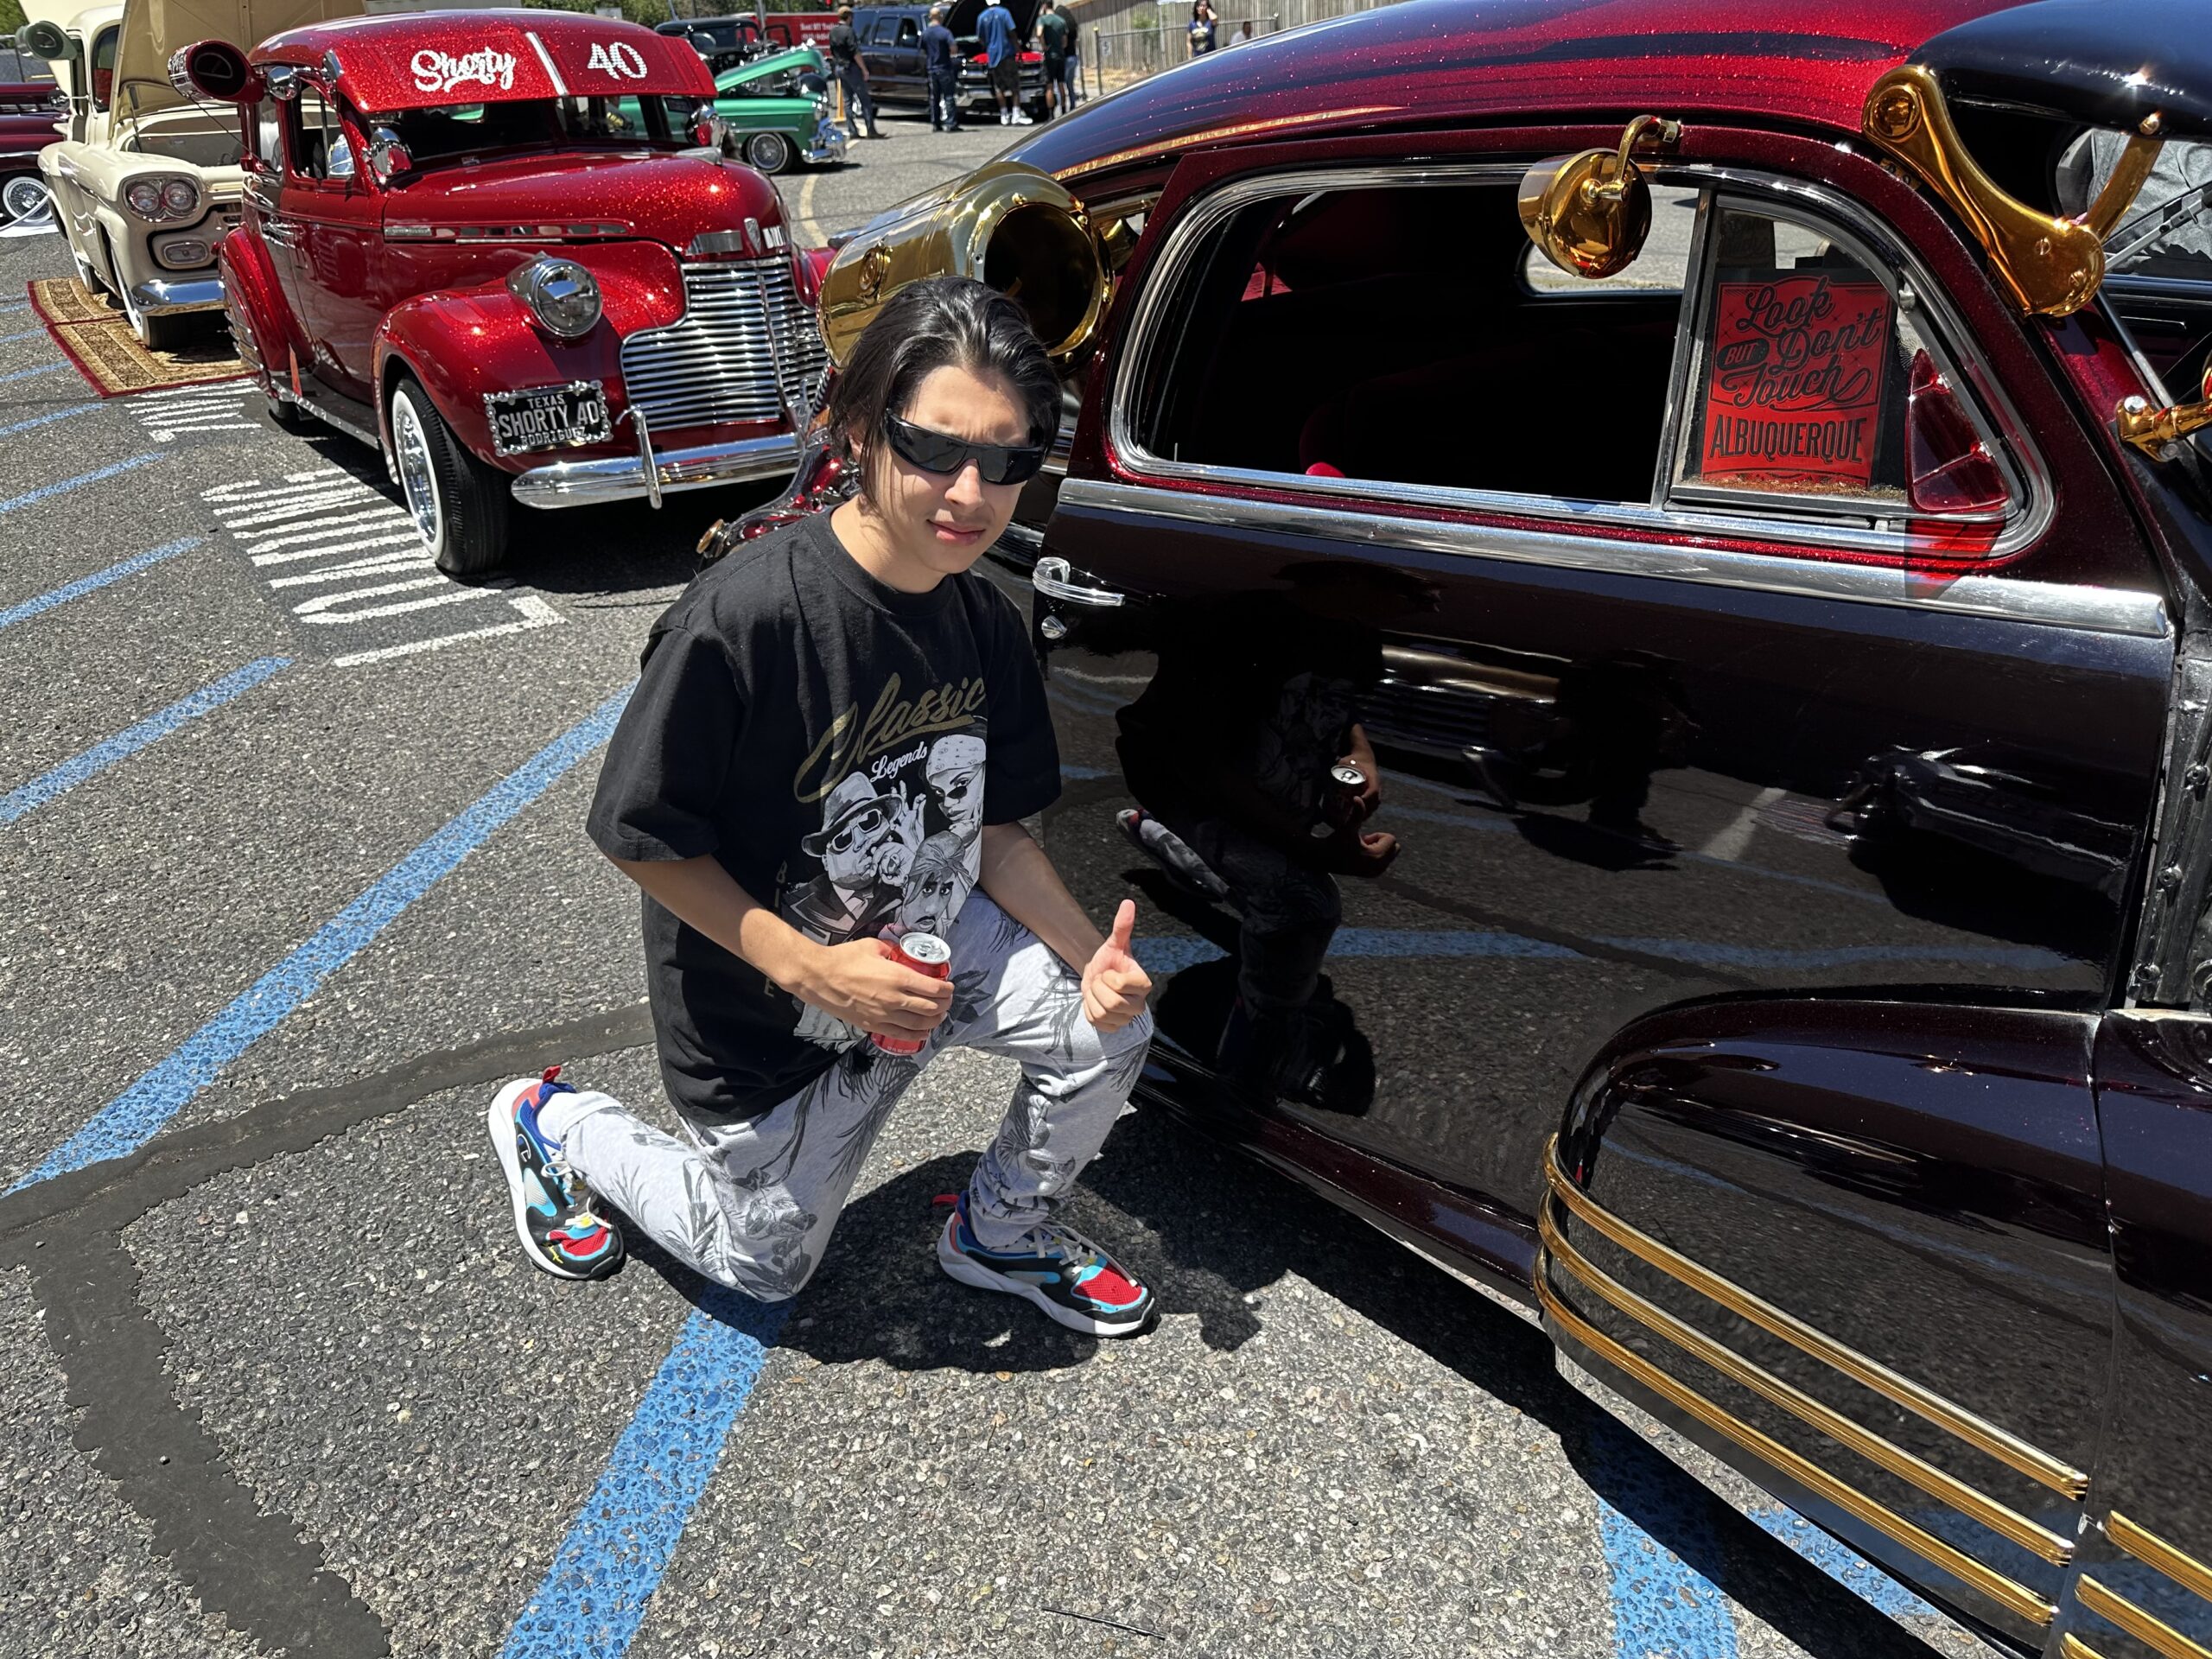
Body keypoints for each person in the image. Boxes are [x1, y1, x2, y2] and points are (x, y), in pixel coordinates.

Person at [486, 276, 1159, 1338]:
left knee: (1110, 1033)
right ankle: (555, 1121)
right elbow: (642, 836)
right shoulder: (746, 618)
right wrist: (813, 969)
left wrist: (1092, 963)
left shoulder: (985, 618)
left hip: (928, 954)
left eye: (1007, 460)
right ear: (857, 427)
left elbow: (993, 832)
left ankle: (1001, 1232)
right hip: (774, 1012)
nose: (971, 492)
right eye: (933, 447)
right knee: (763, 1270)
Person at [826, 4, 883, 140]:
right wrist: (864, 69)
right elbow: (855, 52)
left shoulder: (833, 31)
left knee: (847, 101)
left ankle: (852, 131)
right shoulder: (849, 31)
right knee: (865, 99)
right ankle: (871, 130)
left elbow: (832, 50)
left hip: (839, 67)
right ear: (849, 17)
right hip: (851, 68)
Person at [976, 0, 1029, 126]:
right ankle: (1016, 115)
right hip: (1007, 54)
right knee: (1015, 86)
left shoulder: (981, 17)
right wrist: (1018, 49)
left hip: (993, 57)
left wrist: (988, 47)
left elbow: (980, 38)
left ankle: (1004, 115)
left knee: (998, 87)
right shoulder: (1004, 13)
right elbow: (1012, 32)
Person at [922, 3, 962, 132]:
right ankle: (951, 123)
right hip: (944, 68)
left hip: (932, 69)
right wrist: (951, 55)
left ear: (930, 17)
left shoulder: (926, 33)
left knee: (934, 97)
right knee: (949, 96)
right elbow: (953, 47)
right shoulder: (945, 32)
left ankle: (936, 124)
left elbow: (922, 48)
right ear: (941, 16)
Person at [1036, 0, 1069, 119]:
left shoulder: (1042, 20)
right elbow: (1065, 41)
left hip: (1049, 56)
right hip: (1060, 55)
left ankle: (1051, 114)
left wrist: (1044, 45)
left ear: (1044, 6)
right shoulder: (1061, 20)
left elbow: (1039, 33)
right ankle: (1064, 111)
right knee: (1061, 84)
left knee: (1049, 86)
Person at [1058, 6, 1082, 108]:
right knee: (1070, 86)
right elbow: (1075, 42)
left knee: (1060, 85)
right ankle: (1073, 106)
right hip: (1073, 57)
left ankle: (1062, 107)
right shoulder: (1073, 27)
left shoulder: (1063, 28)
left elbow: (1063, 44)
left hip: (1065, 58)